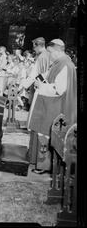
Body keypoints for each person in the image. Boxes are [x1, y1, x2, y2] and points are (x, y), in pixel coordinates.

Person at [27, 38, 77, 174]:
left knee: (47, 135)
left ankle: (45, 166)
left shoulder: (65, 65)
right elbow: (49, 76)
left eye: (50, 52)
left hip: (56, 107)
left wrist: (40, 85)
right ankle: (42, 163)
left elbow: (59, 89)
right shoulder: (59, 63)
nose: (49, 55)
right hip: (52, 105)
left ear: (56, 50)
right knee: (44, 135)